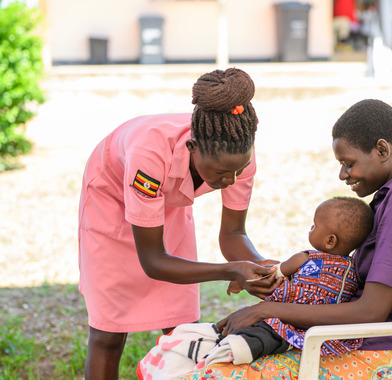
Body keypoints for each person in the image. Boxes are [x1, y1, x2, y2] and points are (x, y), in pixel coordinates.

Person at [171, 98, 392, 379]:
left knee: (206, 375)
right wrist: (279, 279)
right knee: (205, 359)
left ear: (381, 149)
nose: (343, 174)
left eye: (348, 163)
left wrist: (267, 310)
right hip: (349, 341)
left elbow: (371, 311)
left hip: (380, 354)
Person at [78, 68, 278, 380]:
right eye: (220, 173)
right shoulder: (149, 154)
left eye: (237, 171)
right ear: (191, 147)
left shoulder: (236, 157)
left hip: (169, 203)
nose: (230, 180)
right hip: (111, 202)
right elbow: (154, 262)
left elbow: (233, 234)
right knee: (109, 332)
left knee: (182, 327)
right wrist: (231, 269)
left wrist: (262, 267)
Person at [137, 196, 374, 379]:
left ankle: (226, 349)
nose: (310, 229)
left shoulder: (305, 258)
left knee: (263, 328)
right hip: (317, 333)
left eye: (314, 226)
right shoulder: (353, 271)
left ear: (330, 241)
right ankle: (234, 347)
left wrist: (243, 280)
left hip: (286, 318)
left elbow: (271, 276)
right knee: (270, 337)